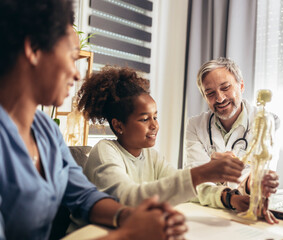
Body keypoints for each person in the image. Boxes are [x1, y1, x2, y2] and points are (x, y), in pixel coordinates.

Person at [0, 0, 186, 239]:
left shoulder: (47, 131)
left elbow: (84, 196)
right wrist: (126, 234)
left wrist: (127, 216)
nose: (77, 73)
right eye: (71, 57)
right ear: (34, 49)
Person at [77, 66, 246, 209]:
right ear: (118, 125)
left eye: (155, 117)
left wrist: (228, 197)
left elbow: (182, 187)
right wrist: (201, 173)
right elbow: (128, 198)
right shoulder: (104, 151)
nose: (154, 125)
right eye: (144, 119)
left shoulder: (151, 156)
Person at [185, 57, 280, 223]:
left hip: (249, 212)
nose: (220, 99)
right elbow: (194, 182)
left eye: (225, 88)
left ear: (241, 85)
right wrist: (229, 196)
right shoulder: (195, 125)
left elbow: (261, 177)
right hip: (209, 213)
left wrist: (251, 184)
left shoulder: (266, 121)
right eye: (210, 93)